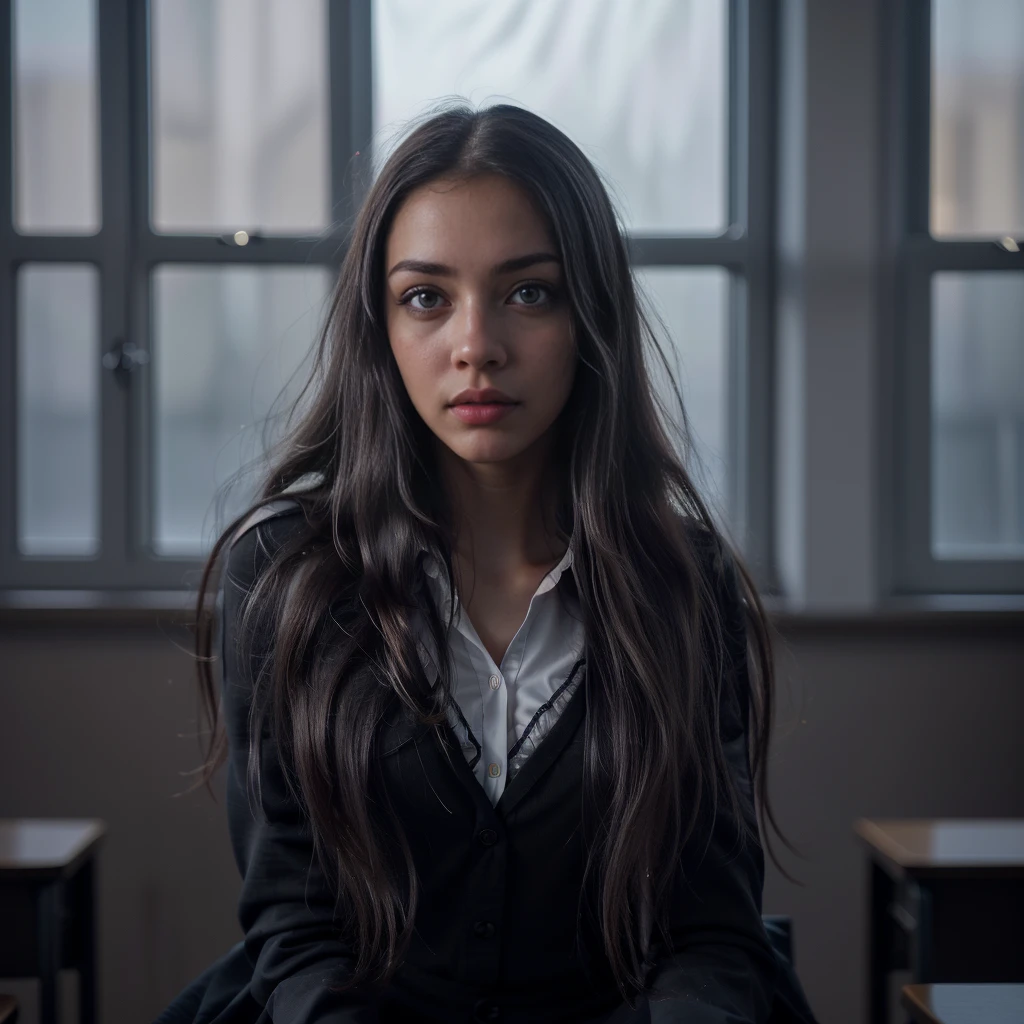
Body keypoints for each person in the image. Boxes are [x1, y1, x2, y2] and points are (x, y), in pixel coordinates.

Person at [156, 103, 820, 1024]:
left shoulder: (681, 581)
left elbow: (706, 936)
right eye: (426, 297)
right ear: (378, 327)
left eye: (529, 292)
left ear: (590, 315)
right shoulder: (283, 578)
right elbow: (299, 934)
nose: (477, 347)